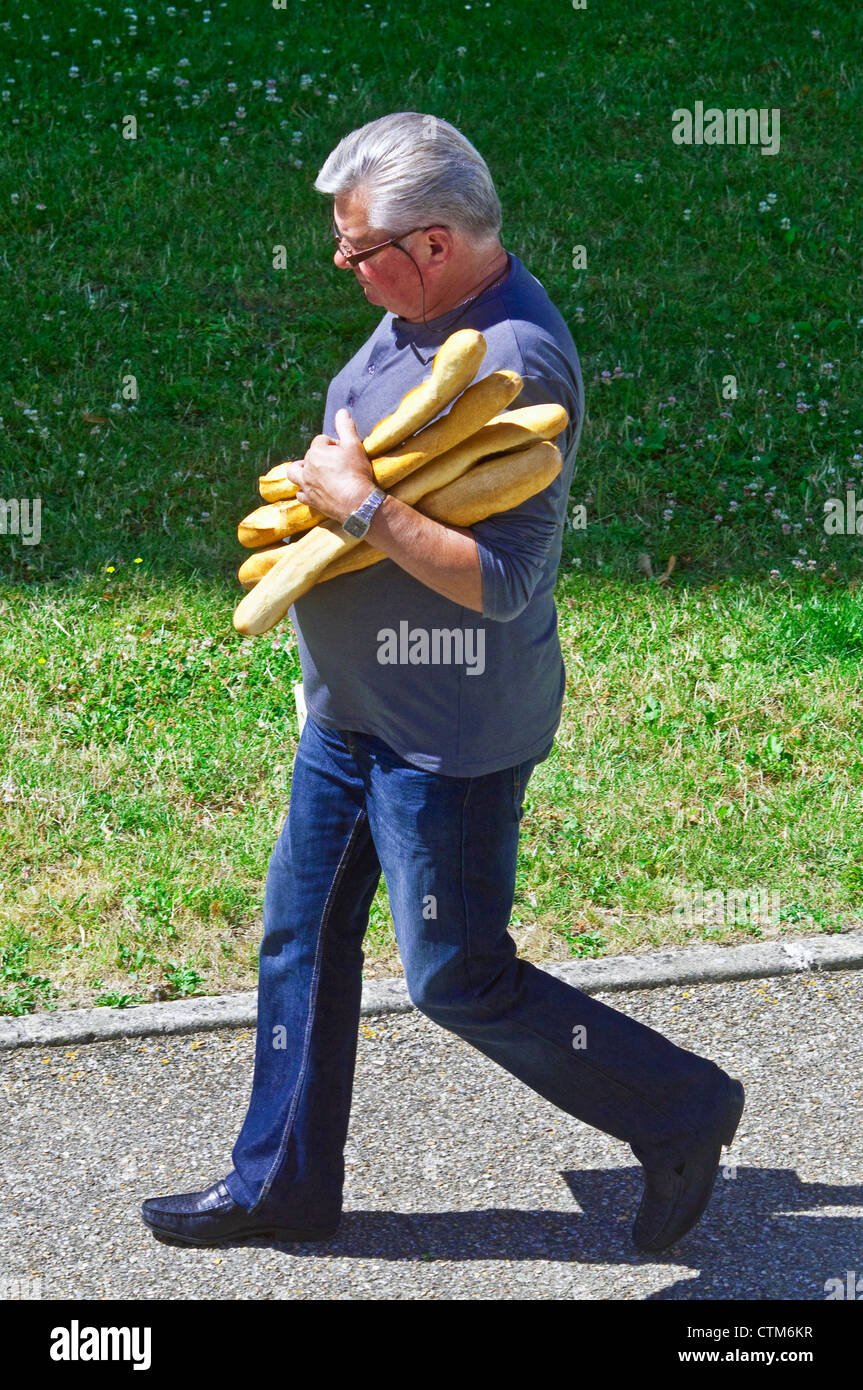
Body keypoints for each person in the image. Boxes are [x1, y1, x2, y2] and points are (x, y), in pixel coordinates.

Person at [141, 112, 744, 1255]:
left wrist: (359, 508)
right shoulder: (411, 316)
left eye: (358, 245)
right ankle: (279, 1182)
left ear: (429, 245)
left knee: (456, 976)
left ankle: (678, 1105)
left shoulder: (514, 361)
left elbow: (506, 581)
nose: (340, 263)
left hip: (446, 738)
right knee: (300, 940)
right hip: (352, 717)